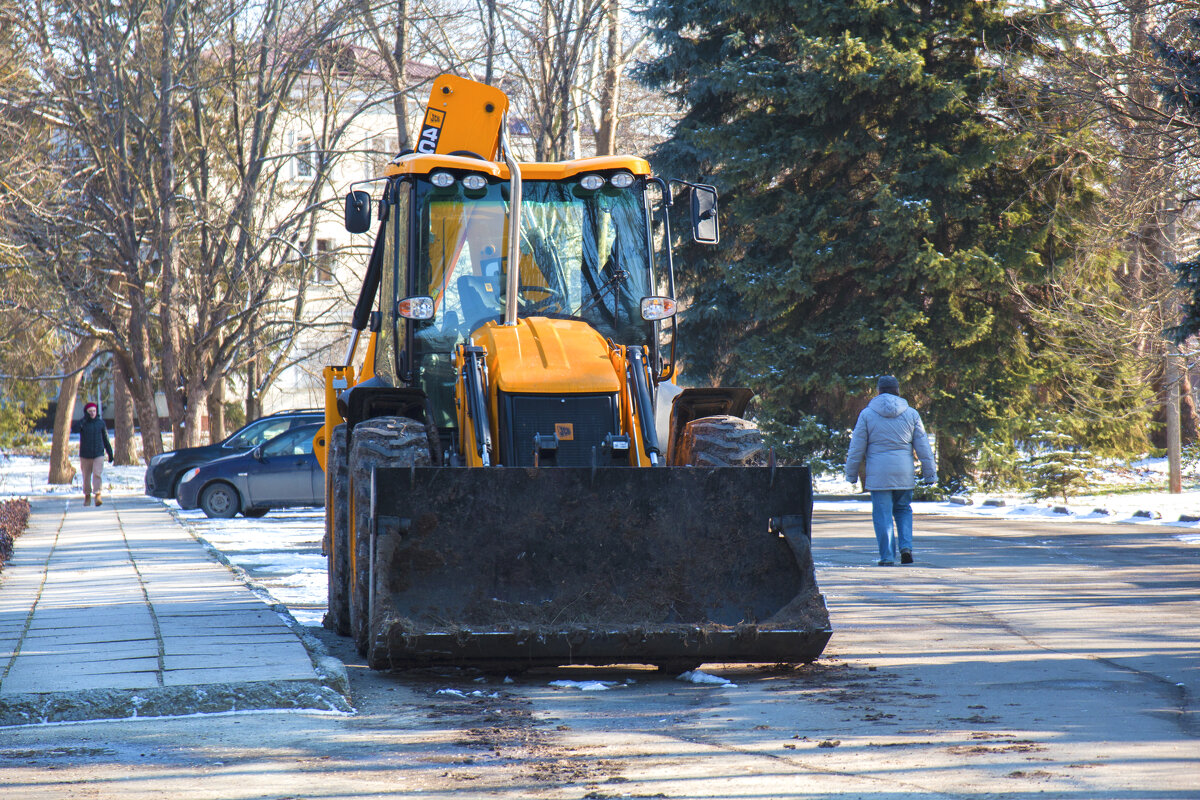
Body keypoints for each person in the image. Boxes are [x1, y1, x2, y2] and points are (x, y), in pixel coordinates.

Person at [844, 375, 936, 566]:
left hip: (878, 474)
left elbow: (856, 448)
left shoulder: (867, 414)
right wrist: (930, 473)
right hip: (903, 471)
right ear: (897, 391)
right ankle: (906, 548)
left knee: (882, 514)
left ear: (878, 391)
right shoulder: (911, 414)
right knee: (903, 509)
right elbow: (923, 448)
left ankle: (887, 557)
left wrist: (851, 473)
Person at [77, 401, 113, 506]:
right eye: (90, 411)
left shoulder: (100, 423)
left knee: (97, 474)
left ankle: (98, 495)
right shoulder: (83, 423)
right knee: (86, 477)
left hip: (98, 454)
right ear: (86, 412)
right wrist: (84, 420)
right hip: (85, 455)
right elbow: (74, 429)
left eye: (94, 411)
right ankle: (87, 496)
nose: (92, 413)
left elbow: (105, 439)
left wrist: (110, 453)